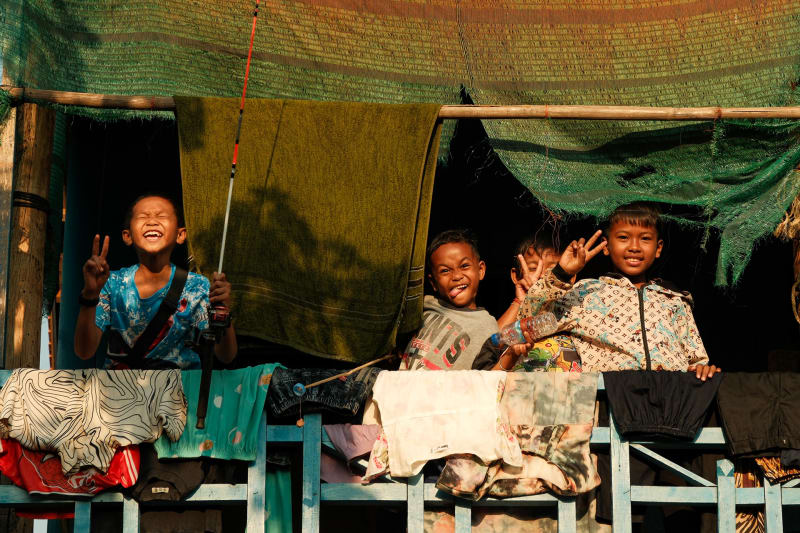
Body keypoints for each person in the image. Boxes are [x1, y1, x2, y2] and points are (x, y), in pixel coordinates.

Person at [508, 202, 720, 379]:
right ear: (606, 245)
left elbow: (696, 361)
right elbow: (529, 324)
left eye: (645, 238)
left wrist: (702, 369)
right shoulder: (586, 293)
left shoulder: (674, 300)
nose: (634, 247)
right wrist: (561, 274)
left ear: (658, 248)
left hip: (673, 409)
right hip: (613, 410)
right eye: (623, 237)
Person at [74, 193, 237, 369]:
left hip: (178, 393)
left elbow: (226, 355)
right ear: (127, 236)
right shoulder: (112, 283)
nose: (152, 221)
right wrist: (89, 296)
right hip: (121, 393)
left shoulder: (197, 286)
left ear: (180, 234)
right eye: (143, 216)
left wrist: (223, 311)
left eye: (161, 216)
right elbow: (84, 351)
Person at [399, 229, 500, 371]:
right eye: (445, 271)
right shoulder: (422, 307)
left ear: (480, 270)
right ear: (433, 282)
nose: (457, 276)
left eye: (464, 266)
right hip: (400, 390)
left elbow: (486, 379)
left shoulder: (487, 326)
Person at [489, 232, 582, 373]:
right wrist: (521, 300)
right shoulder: (516, 315)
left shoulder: (576, 311)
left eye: (553, 269)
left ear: (570, 276)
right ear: (515, 275)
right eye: (533, 268)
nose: (544, 276)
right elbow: (491, 345)